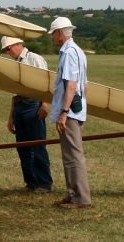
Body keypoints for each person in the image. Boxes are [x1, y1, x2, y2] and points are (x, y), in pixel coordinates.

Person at [48, 17, 92, 209]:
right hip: (76, 110)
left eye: (53, 34)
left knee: (73, 155)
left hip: (70, 112)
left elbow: (71, 85)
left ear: (59, 33)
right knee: (69, 154)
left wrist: (64, 112)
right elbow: (86, 86)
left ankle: (80, 198)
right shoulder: (79, 52)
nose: (52, 38)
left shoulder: (68, 53)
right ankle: (72, 194)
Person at [1, 36, 53, 193]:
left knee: (38, 145)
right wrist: (11, 117)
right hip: (19, 105)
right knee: (22, 147)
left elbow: (47, 82)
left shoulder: (35, 59)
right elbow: (14, 93)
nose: (7, 52)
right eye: (5, 50)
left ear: (18, 44)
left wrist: (45, 103)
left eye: (8, 49)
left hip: (33, 104)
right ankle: (31, 182)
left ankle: (44, 183)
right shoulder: (15, 63)